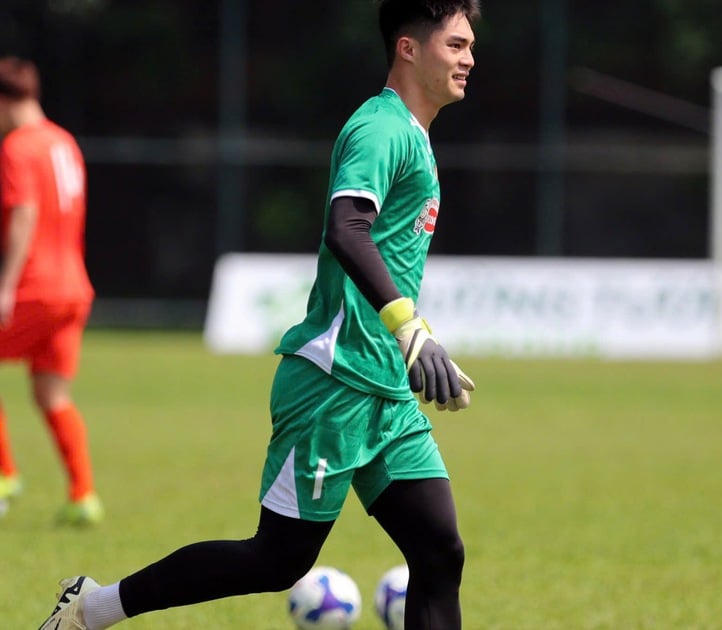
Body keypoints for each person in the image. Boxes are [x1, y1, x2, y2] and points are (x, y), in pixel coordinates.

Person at [39, 0, 479, 627]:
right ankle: (91, 609)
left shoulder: (414, 134)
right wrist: (409, 328)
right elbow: (346, 229)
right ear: (409, 48)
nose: (470, 59)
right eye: (456, 45)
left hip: (384, 389)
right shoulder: (381, 129)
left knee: (439, 553)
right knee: (277, 561)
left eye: (469, 46)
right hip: (334, 383)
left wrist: (406, 344)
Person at [0, 56, 101, 526]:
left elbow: (25, 216)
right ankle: (83, 497)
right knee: (51, 394)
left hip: (35, 287)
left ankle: (4, 470)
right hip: (74, 285)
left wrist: (4, 287)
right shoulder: (64, 141)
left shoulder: (17, 146)